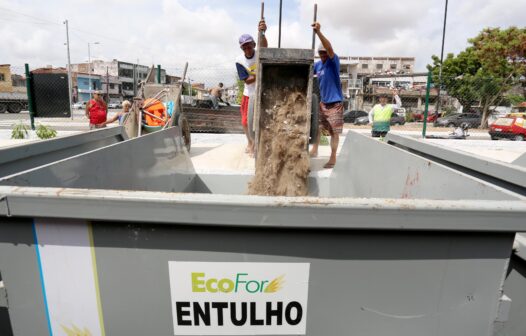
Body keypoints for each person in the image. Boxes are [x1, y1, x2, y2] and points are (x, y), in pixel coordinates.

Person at [309, 22, 344, 169]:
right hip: (323, 102)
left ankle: (333, 157)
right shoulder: (317, 65)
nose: (323, 55)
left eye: (324, 52)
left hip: (335, 102)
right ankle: (315, 149)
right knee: (317, 128)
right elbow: (309, 72)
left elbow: (329, 48)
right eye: (321, 53)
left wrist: (318, 33)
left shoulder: (332, 61)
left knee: (334, 132)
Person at [235, 19, 267, 156]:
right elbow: (247, 81)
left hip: (262, 93)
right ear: (242, 48)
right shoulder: (239, 61)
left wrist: (263, 32)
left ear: (254, 44)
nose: (247, 49)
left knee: (261, 121)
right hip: (249, 94)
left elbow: (265, 46)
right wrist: (258, 74)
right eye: (244, 47)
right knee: (245, 121)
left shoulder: (260, 53)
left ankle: (258, 143)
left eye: (249, 46)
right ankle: (250, 141)